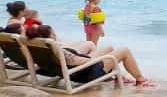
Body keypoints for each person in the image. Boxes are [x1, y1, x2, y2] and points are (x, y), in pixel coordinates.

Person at [26, 23, 154, 87]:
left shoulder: (45, 47)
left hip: (77, 70)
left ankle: (117, 77)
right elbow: (81, 61)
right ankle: (140, 80)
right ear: (50, 35)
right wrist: (94, 58)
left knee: (109, 47)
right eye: (53, 32)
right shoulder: (56, 49)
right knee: (124, 51)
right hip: (87, 74)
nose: (55, 34)